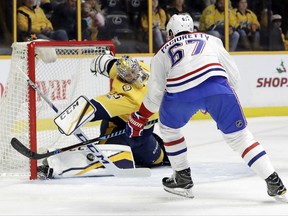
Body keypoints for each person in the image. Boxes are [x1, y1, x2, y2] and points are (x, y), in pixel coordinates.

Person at [125, 14, 287, 201]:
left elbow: (154, 97)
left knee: (169, 129)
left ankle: (182, 177)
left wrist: (139, 117)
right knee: (240, 137)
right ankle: (274, 181)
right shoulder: (212, 40)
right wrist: (213, 98)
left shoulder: (162, 51)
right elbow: (234, 77)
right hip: (217, 87)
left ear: (170, 33)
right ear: (192, 29)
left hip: (180, 93)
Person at [38, 53, 170, 179]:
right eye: (128, 75)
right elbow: (98, 107)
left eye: (134, 71)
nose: (133, 75)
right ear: (122, 76)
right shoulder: (129, 96)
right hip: (121, 131)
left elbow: (109, 64)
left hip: (144, 135)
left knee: (158, 160)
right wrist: (73, 117)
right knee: (104, 160)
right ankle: (56, 165)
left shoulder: (147, 70)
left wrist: (102, 60)